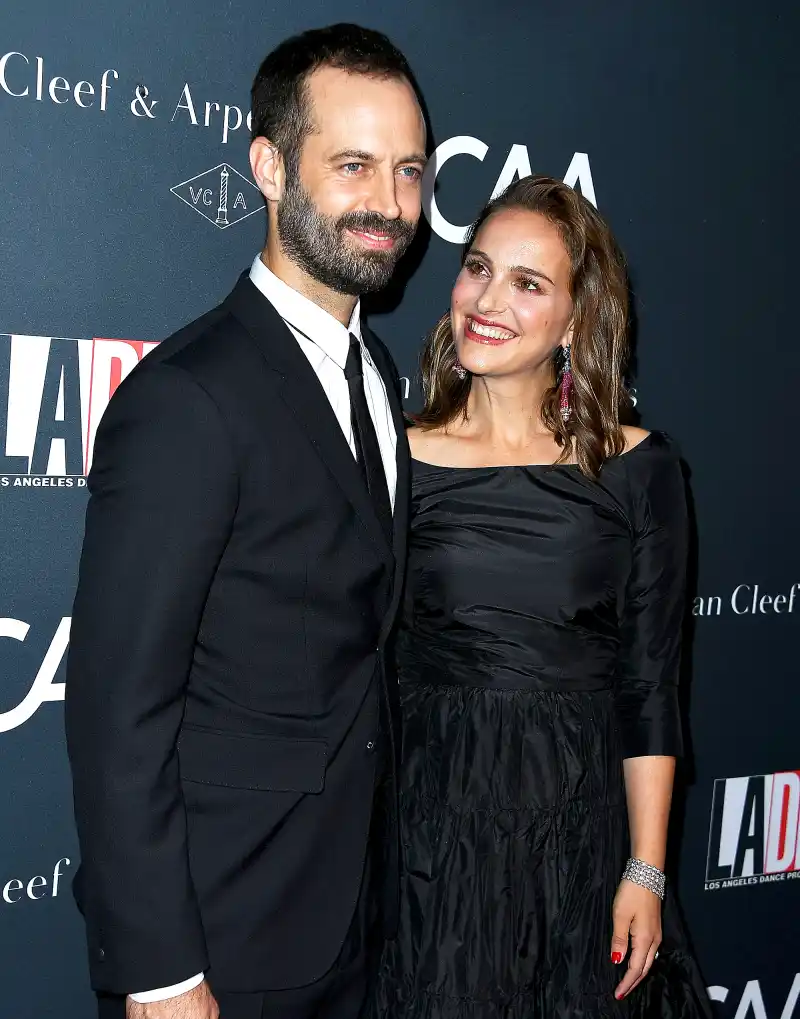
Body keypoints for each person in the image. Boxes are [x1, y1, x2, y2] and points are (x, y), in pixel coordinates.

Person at [65, 23, 427, 1019]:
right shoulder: (189, 398)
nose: (388, 205)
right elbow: (116, 710)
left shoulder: (374, 371)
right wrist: (159, 969)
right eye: (352, 165)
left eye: (408, 170)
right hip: (220, 942)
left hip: (353, 916)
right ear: (268, 166)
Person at [368, 176, 713, 1017]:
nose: (489, 300)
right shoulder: (390, 454)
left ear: (576, 317)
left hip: (578, 835)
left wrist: (645, 869)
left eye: (529, 283)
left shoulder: (639, 471)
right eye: (479, 268)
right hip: (429, 841)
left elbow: (650, 688)